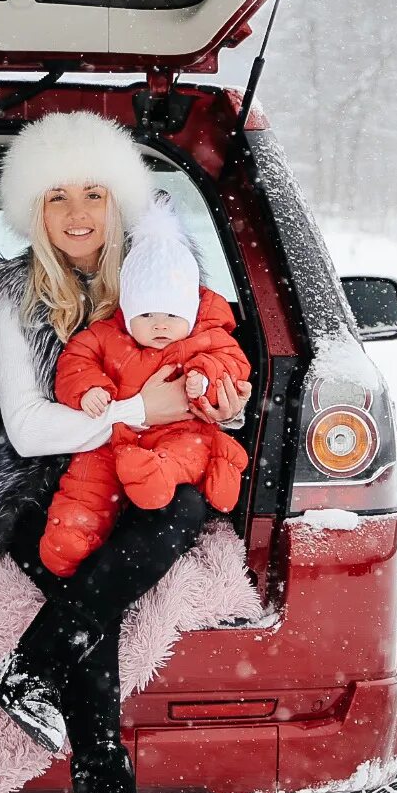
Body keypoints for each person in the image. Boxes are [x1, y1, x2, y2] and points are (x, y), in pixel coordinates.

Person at [0, 111, 253, 793]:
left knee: (176, 511)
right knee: (83, 564)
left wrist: (225, 405)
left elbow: (221, 365)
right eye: (57, 196)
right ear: (33, 212)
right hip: (44, 480)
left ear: (120, 200)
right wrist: (131, 411)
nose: (79, 212)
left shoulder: (166, 273)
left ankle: (30, 664)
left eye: (95, 191)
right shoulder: (17, 299)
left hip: (156, 467)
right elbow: (27, 431)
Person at [35, 195, 252, 578]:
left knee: (186, 455)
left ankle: (161, 475)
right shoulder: (105, 334)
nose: (159, 325)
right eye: (146, 314)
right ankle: (70, 538)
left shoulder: (205, 337)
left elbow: (231, 364)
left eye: (171, 314)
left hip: (180, 435)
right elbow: (75, 362)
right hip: (110, 435)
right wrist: (90, 388)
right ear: (127, 308)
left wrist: (208, 380)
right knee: (85, 485)